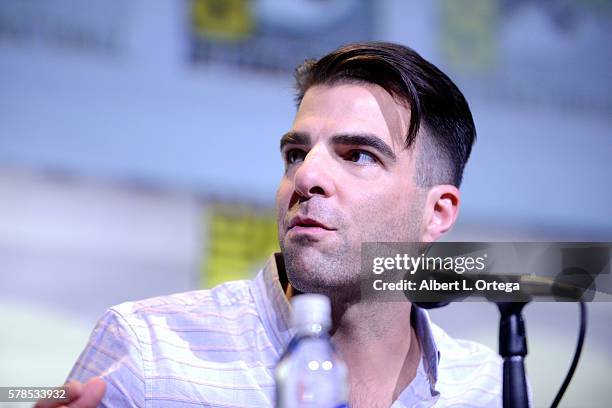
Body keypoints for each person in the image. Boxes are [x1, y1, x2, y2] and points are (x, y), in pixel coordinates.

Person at [36, 42, 502, 408]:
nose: (306, 176)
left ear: (436, 212)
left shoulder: (489, 389)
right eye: (296, 154)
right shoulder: (150, 353)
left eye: (358, 155)